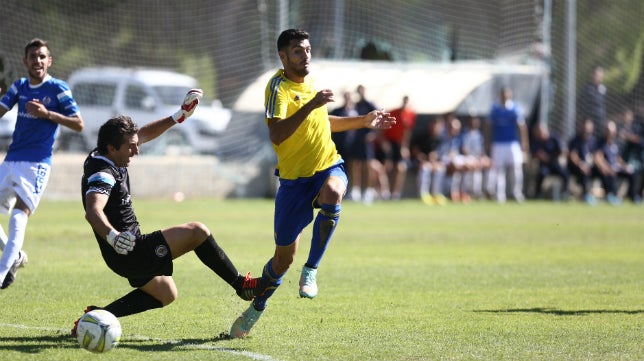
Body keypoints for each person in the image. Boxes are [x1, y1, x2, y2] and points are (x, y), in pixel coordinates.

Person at [229, 29, 395, 339]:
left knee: (334, 192)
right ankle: (257, 306)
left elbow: (322, 122)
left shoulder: (314, 85)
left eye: (307, 49)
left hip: (328, 165)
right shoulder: (277, 88)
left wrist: (362, 120)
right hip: (293, 183)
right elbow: (277, 134)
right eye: (297, 51)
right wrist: (312, 104)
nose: (305, 55)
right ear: (283, 56)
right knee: (281, 260)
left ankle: (312, 269)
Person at [72, 91, 263, 336]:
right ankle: (241, 285)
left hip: (121, 252)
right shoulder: (103, 174)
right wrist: (113, 236)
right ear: (112, 147)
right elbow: (93, 211)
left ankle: (96, 317)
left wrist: (179, 115)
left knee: (165, 292)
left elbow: (143, 135)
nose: (137, 151)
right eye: (131, 148)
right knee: (197, 232)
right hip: (129, 250)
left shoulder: (105, 153)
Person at [0, 38, 85, 289]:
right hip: (12, 159)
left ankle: (2, 275)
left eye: (42, 56)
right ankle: (14, 256)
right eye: (33, 56)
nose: (37, 61)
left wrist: (48, 114)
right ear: (25, 61)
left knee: (18, 218)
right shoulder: (19, 86)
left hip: (36, 164)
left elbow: (79, 123)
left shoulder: (58, 88)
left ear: (49, 61)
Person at [485, 87, 529, 203]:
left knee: (516, 168)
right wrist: (487, 142)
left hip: (512, 143)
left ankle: (516, 193)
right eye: (503, 95)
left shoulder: (514, 109)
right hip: (498, 143)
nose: (505, 97)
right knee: (499, 170)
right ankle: (500, 195)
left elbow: (521, 126)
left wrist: (524, 142)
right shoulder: (494, 109)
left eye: (507, 95)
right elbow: (488, 127)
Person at [593, 120, 638, 205]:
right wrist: (607, 168)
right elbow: (598, 158)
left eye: (611, 131)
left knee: (632, 173)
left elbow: (618, 158)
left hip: (615, 167)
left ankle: (632, 196)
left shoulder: (615, 143)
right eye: (607, 130)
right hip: (605, 169)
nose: (609, 133)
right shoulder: (599, 142)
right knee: (609, 174)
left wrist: (625, 166)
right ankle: (611, 195)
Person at [381, 95, 417, 200]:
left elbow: (407, 132)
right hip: (390, 141)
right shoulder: (393, 112)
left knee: (400, 168)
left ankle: (395, 193)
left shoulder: (410, 114)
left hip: (399, 143)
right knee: (387, 167)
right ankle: (384, 191)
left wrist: (404, 147)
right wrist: (384, 142)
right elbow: (383, 127)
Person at [411, 116, 447, 205]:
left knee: (440, 169)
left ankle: (436, 195)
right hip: (420, 162)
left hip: (433, 163)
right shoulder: (422, 135)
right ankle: (424, 195)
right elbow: (414, 150)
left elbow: (439, 154)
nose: (435, 128)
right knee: (425, 168)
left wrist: (434, 160)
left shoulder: (440, 138)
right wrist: (421, 157)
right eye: (434, 125)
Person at [530, 124, 570, 201]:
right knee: (541, 173)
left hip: (555, 164)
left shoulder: (554, 138)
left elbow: (563, 151)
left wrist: (551, 157)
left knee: (565, 174)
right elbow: (533, 154)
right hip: (544, 165)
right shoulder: (536, 141)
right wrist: (539, 156)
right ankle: (538, 194)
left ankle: (565, 194)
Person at [567, 118, 598, 204]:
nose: (586, 130)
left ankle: (611, 194)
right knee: (584, 172)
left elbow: (597, 155)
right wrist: (581, 164)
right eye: (585, 128)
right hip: (576, 167)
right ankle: (586, 195)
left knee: (603, 172)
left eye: (588, 128)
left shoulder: (593, 141)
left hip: (590, 166)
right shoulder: (575, 140)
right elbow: (573, 155)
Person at [461, 116, 491, 199]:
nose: (474, 122)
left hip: (478, 158)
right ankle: (469, 192)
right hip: (468, 157)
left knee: (490, 164)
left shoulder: (479, 134)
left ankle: (487, 190)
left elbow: (482, 150)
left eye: (475, 121)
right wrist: (474, 159)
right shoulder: (465, 133)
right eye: (472, 120)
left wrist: (482, 158)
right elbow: (464, 149)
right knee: (472, 166)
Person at [578, 66, 607, 138]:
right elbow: (581, 105)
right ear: (592, 76)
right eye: (596, 75)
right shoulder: (587, 89)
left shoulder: (603, 89)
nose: (598, 78)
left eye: (600, 76)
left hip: (600, 122)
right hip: (590, 122)